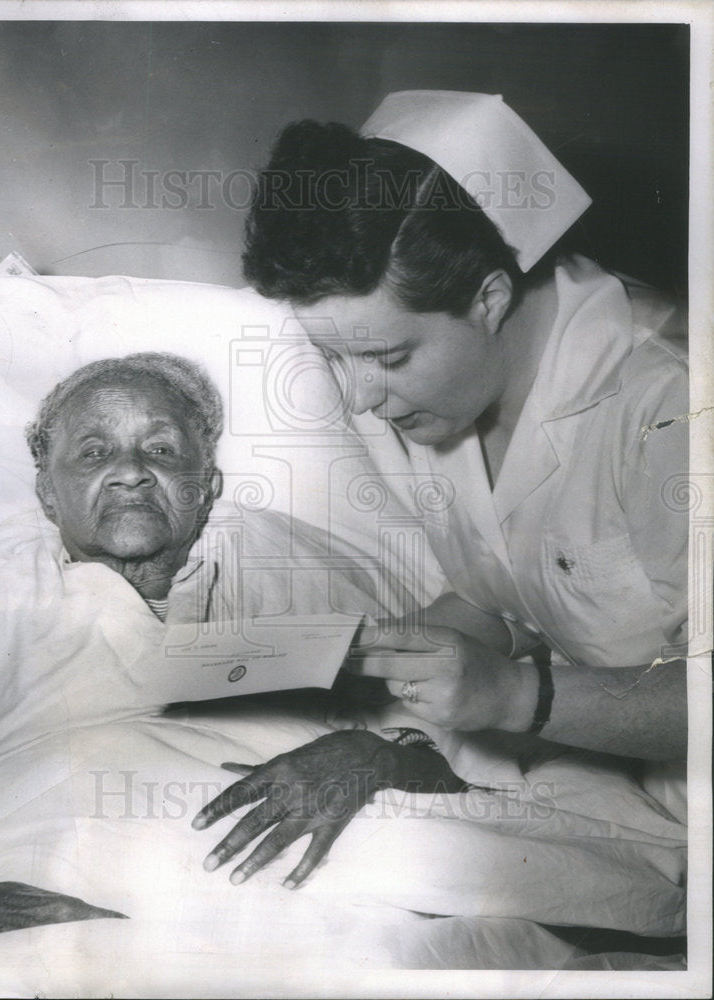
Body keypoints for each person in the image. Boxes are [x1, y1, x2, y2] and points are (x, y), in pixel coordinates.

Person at [195, 91, 688, 888]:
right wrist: (352, 662)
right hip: (612, 788)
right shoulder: (442, 402)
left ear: (490, 298)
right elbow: (502, 597)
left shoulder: (670, 406)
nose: (360, 399)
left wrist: (516, 697)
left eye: (387, 359)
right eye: (334, 359)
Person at [0, 350, 464, 947]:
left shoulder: (281, 566)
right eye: (94, 452)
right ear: (47, 494)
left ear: (207, 487)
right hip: (52, 898)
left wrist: (376, 756)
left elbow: (448, 758)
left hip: (310, 883)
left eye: (160, 450)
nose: (130, 472)